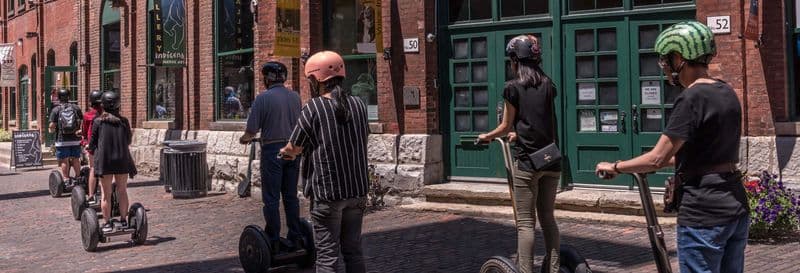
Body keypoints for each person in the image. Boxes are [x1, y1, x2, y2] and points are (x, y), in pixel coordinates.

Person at [594, 21, 748, 273]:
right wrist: (640, 163)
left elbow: (657, 158)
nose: (665, 67)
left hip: (703, 212)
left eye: (666, 60)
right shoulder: (726, 92)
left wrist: (615, 166)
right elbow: (694, 155)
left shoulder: (690, 98)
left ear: (680, 58)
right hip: (735, 206)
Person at [477, 34, 561, 273]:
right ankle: (554, 269)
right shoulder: (548, 84)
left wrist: (487, 136)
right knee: (548, 218)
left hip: (527, 162)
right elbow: (539, 121)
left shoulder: (512, 87)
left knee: (525, 223)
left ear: (515, 59)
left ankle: (525, 270)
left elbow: (505, 126)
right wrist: (519, 133)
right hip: (551, 160)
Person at [280, 51, 369, 273]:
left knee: (327, 256)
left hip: (328, 192)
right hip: (357, 190)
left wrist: (284, 153)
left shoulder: (313, 107)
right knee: (353, 252)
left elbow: (295, 147)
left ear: (316, 79)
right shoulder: (359, 105)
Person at [239, 61, 304, 252]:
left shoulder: (262, 99)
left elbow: (252, 130)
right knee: (291, 196)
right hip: (293, 149)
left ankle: (274, 238)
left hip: (272, 149)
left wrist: (244, 139)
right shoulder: (295, 97)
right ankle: (296, 235)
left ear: (267, 79)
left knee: (271, 197)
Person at [87, 91, 138, 233]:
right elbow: (128, 140)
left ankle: (107, 223)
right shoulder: (124, 121)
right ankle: (123, 220)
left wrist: (89, 147)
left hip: (105, 162)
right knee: (122, 191)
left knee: (106, 193)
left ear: (102, 105)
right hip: (122, 159)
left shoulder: (98, 121)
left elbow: (92, 143)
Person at [49, 89, 83, 182]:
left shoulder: (56, 109)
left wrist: (51, 130)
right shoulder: (76, 108)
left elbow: (52, 125)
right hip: (75, 139)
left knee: (64, 160)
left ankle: (66, 179)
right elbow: (82, 121)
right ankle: (78, 177)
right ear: (69, 97)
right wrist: (79, 130)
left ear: (59, 97)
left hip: (62, 140)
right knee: (76, 158)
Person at [81, 90, 104, 202]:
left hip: (93, 146)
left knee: (93, 169)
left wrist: (85, 143)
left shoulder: (87, 115)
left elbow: (84, 133)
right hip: (105, 145)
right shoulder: (106, 114)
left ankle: (91, 195)